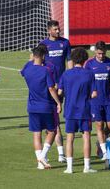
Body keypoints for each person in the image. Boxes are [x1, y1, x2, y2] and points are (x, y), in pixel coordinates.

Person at [21, 45, 61, 170]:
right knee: (52, 131)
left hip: (32, 106)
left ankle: (40, 163)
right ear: (43, 56)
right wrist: (58, 102)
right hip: (47, 106)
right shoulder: (46, 70)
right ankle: (42, 156)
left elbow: (23, 72)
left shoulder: (27, 69)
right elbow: (51, 88)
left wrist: (29, 60)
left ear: (33, 56)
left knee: (36, 133)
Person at [58, 47, 96, 174]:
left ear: (73, 60)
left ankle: (69, 167)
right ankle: (87, 167)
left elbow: (60, 92)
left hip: (70, 110)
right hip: (85, 110)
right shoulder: (89, 74)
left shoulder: (66, 74)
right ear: (85, 59)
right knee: (86, 137)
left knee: (70, 138)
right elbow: (94, 93)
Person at [39, 20, 72, 162]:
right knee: (54, 119)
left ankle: (59, 153)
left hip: (61, 85)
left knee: (56, 117)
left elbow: (69, 62)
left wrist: (70, 78)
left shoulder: (65, 43)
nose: (58, 31)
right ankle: (59, 153)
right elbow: (37, 63)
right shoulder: (43, 45)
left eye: (59, 29)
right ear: (49, 31)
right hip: (48, 86)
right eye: (55, 29)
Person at [84, 41, 110, 160]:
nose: (101, 56)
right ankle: (104, 152)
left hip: (107, 99)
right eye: (99, 53)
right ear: (95, 52)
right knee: (99, 125)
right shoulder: (89, 64)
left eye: (103, 53)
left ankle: (100, 142)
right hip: (94, 101)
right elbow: (84, 80)